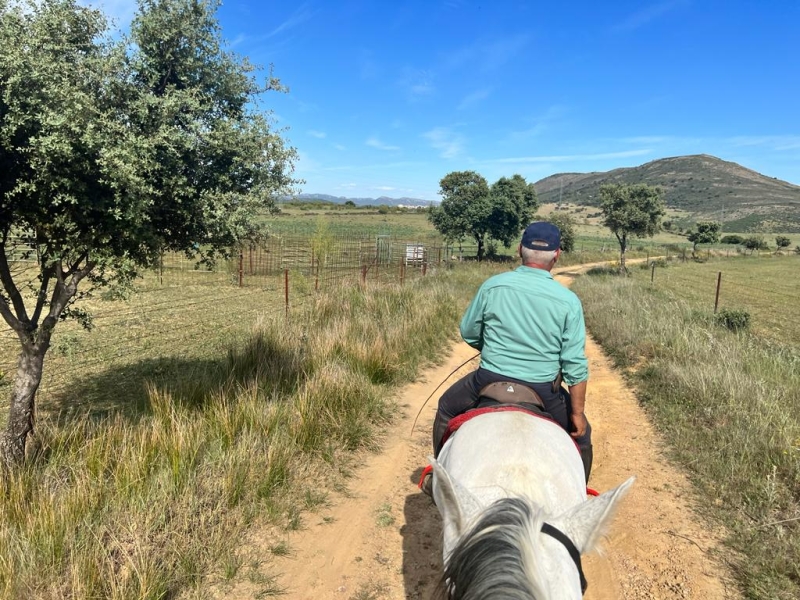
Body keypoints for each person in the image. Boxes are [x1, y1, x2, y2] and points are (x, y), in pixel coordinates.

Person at [426, 221, 592, 491]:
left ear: (519, 250)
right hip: (544, 392)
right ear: (557, 255)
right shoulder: (568, 301)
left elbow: (469, 331)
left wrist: (492, 347)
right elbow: (574, 364)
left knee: (446, 406)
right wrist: (578, 413)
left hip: (487, 379)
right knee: (582, 436)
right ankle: (580, 493)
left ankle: (438, 478)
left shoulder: (493, 286)